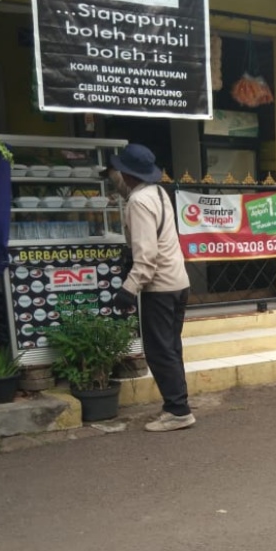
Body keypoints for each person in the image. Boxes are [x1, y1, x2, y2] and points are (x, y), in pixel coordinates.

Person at [105, 143, 195, 432]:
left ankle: (178, 411)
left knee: (159, 351)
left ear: (127, 174)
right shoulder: (157, 192)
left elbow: (146, 257)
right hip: (178, 282)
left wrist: (128, 289)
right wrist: (113, 176)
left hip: (159, 287)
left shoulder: (138, 202)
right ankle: (177, 405)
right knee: (171, 348)